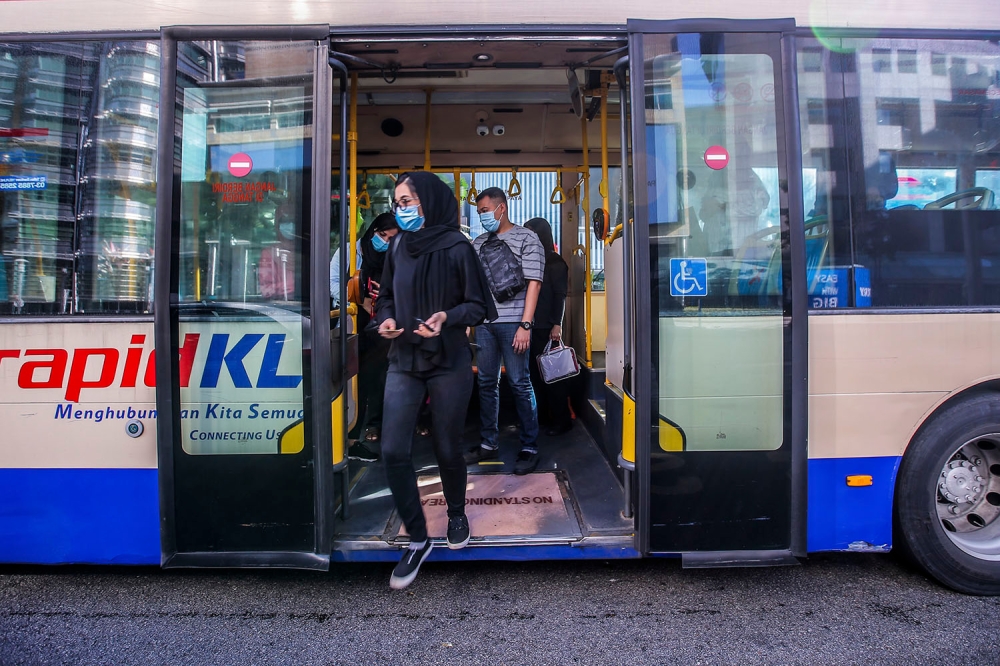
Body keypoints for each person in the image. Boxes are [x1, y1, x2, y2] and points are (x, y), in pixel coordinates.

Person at [375, 171, 496, 590]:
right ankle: (418, 535)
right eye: (398, 202)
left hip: (448, 360)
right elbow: (385, 296)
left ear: (428, 201)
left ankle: (457, 513)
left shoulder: (457, 246)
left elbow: (478, 306)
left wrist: (447, 318)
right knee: (392, 449)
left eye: (406, 201)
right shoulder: (397, 247)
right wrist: (385, 318)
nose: (400, 209)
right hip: (404, 358)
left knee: (447, 446)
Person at [464, 187, 545, 475]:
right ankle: (489, 443)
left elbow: (534, 282)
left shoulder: (527, 238)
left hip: (515, 324)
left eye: (485, 211)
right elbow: (472, 285)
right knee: (486, 383)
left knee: (520, 383)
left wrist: (526, 324)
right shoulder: (477, 244)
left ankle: (529, 446)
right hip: (486, 323)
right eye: (479, 212)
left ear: (501, 208)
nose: (482, 216)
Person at [345, 212, 399, 462]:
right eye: (381, 235)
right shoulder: (352, 251)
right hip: (353, 321)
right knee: (353, 382)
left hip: (383, 325)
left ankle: (369, 429)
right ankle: (349, 435)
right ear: (372, 230)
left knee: (377, 378)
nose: (385, 242)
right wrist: (359, 299)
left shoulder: (397, 257)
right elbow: (332, 281)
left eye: (391, 239)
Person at [524, 217, 573, 436]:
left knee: (552, 377)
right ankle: (542, 417)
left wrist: (556, 324)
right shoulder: (531, 260)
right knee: (535, 376)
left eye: (530, 232)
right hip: (530, 326)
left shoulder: (555, 262)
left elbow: (559, 296)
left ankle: (562, 421)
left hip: (547, 327)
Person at [258, 204, 298, 300]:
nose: (291, 226)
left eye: (294, 221)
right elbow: (266, 288)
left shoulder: (310, 250)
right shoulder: (269, 253)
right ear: (277, 225)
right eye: (285, 221)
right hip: (280, 306)